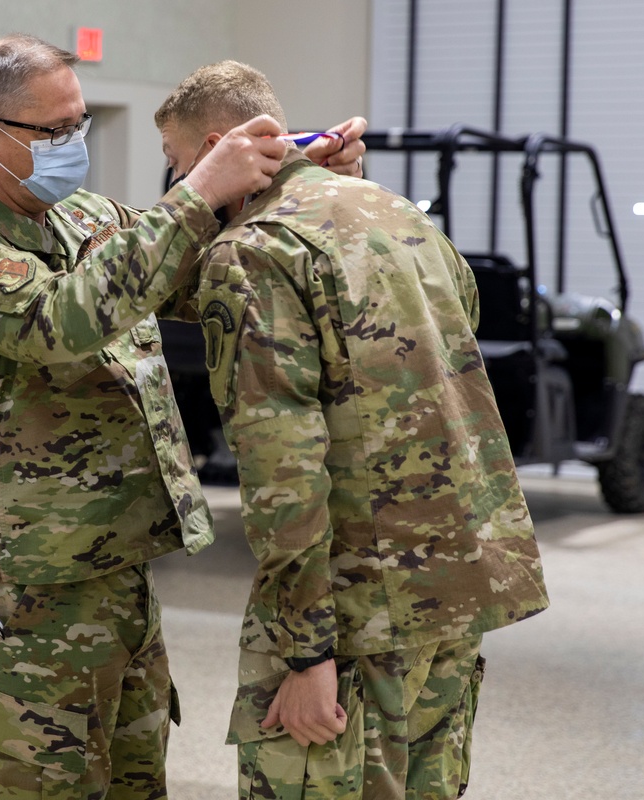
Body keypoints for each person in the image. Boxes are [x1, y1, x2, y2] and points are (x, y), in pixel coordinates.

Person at [0, 33, 366, 799]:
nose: (75, 144)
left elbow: (197, 269)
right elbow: (66, 319)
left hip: (119, 575)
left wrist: (294, 179)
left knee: (137, 783)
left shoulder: (84, 218)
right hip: (30, 597)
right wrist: (195, 192)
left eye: (80, 124)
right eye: (56, 132)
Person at [155, 60, 550, 799]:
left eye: (177, 167)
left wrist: (305, 654)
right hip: (455, 579)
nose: (176, 187)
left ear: (215, 147)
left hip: (356, 606)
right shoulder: (398, 213)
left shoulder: (254, 253)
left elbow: (284, 471)